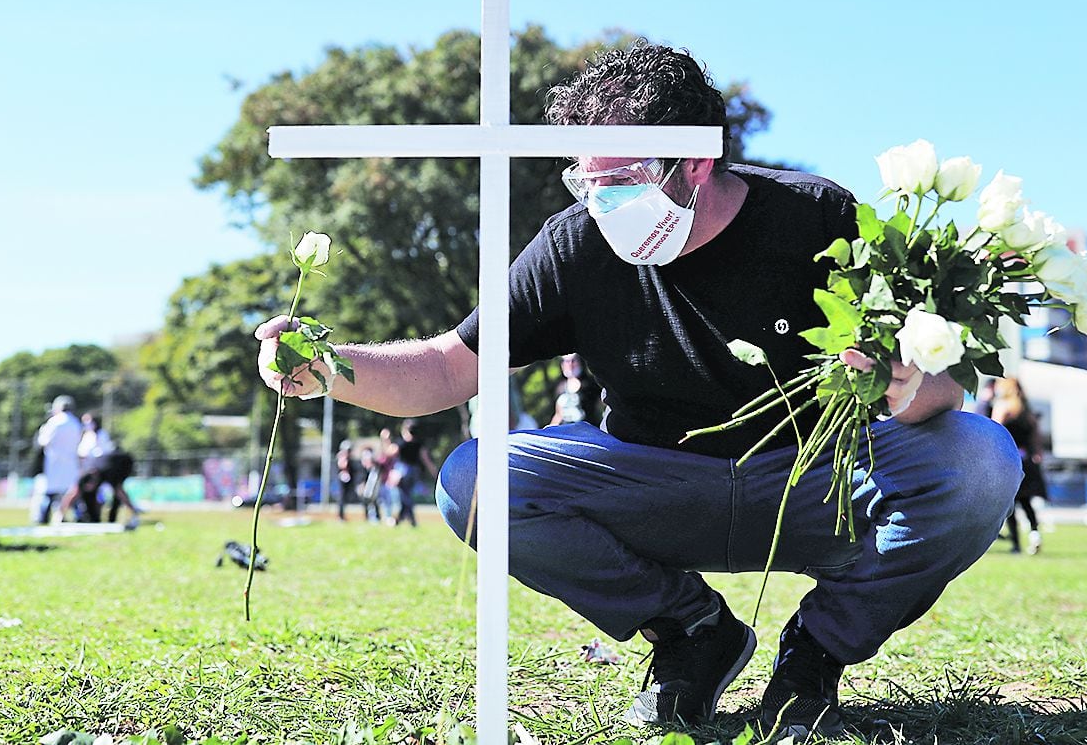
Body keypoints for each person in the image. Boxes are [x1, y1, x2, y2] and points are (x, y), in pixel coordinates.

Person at [254, 42, 1021, 739]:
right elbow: (449, 365)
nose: (601, 200)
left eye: (622, 180)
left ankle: (812, 657)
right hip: (650, 481)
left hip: (808, 480)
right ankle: (691, 632)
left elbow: (938, 393)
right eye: (585, 179)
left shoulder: (815, 216)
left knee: (980, 458)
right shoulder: (573, 241)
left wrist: (907, 383)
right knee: (473, 478)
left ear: (694, 162)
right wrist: (330, 364)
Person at [991, 378, 1047, 555]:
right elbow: (1036, 437)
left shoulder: (1002, 407)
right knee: (1027, 502)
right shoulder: (1027, 411)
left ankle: (1016, 544)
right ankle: (1034, 533)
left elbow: (994, 431)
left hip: (1009, 460)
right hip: (1027, 461)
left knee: (1011, 504)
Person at [35, 395, 83, 524]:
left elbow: (44, 441)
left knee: (49, 492)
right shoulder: (76, 423)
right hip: (71, 463)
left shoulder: (54, 422)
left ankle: (43, 517)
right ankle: (78, 515)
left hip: (54, 462)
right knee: (70, 491)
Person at [389, 418, 437, 527]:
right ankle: (404, 519)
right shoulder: (419, 444)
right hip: (414, 471)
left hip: (402, 471)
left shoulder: (401, 443)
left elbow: (390, 452)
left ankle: (408, 519)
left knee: (404, 496)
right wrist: (434, 472)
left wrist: (385, 440)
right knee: (407, 495)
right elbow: (426, 459)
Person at [549, 353, 604, 426]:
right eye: (566, 361)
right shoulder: (560, 388)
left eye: (573, 361)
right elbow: (558, 414)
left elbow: (603, 406)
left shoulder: (591, 384)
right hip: (567, 432)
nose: (570, 364)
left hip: (588, 430)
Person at [336, 439, 357, 521]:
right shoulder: (342, 456)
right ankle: (341, 516)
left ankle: (342, 516)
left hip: (347, 480)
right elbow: (342, 466)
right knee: (342, 498)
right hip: (342, 480)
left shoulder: (346, 457)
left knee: (345, 498)